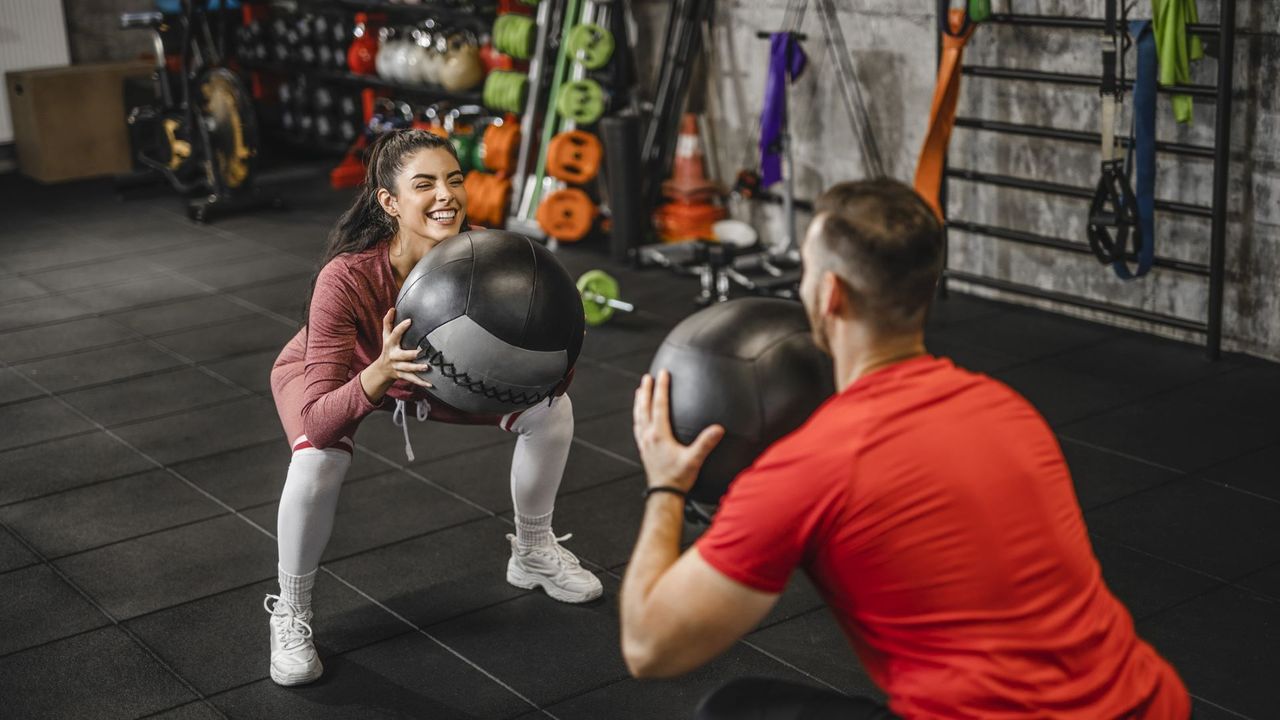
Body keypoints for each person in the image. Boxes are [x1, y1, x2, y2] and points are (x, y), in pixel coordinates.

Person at [620, 179, 1189, 719]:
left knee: (732, 710)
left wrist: (666, 485)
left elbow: (648, 646)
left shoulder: (810, 469)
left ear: (829, 293)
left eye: (806, 271)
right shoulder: (1008, 408)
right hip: (1152, 701)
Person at [264, 129, 602, 688]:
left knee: (551, 413)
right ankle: (292, 611)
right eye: (424, 185)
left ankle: (534, 551)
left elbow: (554, 377)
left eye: (454, 180)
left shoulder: (490, 260)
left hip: (434, 379)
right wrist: (379, 371)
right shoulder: (346, 279)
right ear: (389, 202)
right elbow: (318, 418)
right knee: (318, 456)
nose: (445, 195)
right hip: (351, 372)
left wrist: (556, 347)